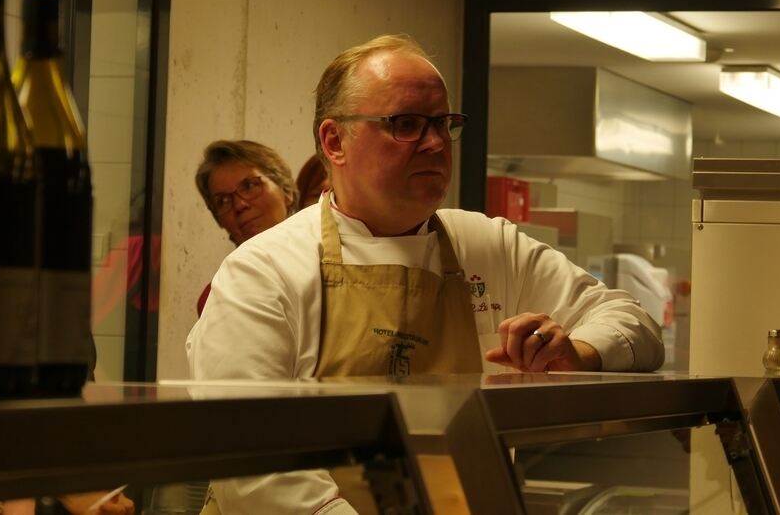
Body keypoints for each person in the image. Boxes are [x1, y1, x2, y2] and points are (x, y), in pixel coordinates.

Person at [186, 34, 664, 513]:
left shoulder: (488, 246)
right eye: (407, 124)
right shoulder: (264, 270)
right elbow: (253, 462)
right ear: (335, 141)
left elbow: (635, 323)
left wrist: (578, 353)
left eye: (443, 123)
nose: (435, 143)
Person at [193, 139, 298, 316]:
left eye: (250, 186)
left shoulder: (334, 267)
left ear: (286, 190)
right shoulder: (218, 298)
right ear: (218, 219)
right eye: (223, 201)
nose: (240, 204)